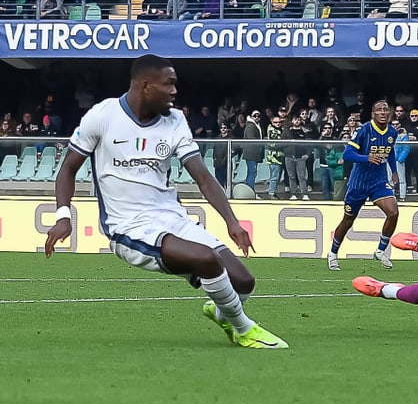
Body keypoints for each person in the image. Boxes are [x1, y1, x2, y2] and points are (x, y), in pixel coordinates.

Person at [43, 55, 287, 349]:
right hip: (128, 227)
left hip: (172, 218)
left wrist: (232, 223)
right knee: (207, 260)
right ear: (145, 85)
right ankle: (244, 329)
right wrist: (63, 216)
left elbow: (204, 178)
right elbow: (68, 168)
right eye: (168, 84)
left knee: (243, 282)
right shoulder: (102, 115)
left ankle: (221, 310)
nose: (174, 91)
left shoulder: (175, 121)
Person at [327, 99, 400, 272]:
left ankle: (381, 250)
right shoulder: (363, 130)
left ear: (389, 114)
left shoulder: (392, 132)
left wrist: (394, 170)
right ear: (373, 114)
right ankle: (332, 254)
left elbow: (389, 152)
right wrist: (366, 157)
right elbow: (347, 154)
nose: (383, 112)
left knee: (393, 212)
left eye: (385, 109)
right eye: (379, 110)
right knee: (348, 220)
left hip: (379, 182)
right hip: (359, 183)